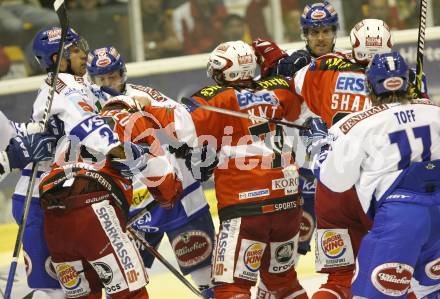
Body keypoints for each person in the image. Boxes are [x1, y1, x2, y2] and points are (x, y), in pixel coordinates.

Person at [137, 40, 308, 299]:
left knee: (231, 287)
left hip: (246, 208)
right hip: (288, 203)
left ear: (226, 72)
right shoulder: (281, 90)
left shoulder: (217, 99)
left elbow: (182, 129)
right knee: (282, 282)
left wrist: (144, 104)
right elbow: (304, 111)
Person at [301, 51, 440, 298]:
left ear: (370, 85)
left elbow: (336, 181)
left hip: (402, 218)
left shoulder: (357, 125)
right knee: (430, 288)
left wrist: (319, 149)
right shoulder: (434, 111)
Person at [86, 46, 216, 296]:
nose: (107, 84)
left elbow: (183, 121)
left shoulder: (144, 95)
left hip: (180, 198)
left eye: (112, 76)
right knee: (124, 284)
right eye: (101, 79)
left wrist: (186, 147)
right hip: (133, 208)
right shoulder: (89, 109)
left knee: (206, 277)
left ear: (122, 73)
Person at [39, 94, 183, 298]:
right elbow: (162, 181)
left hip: (53, 217)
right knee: (131, 293)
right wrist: (171, 196)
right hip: (95, 210)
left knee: (84, 295)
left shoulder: (82, 125)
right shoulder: (133, 119)